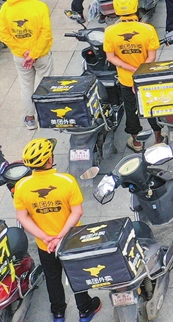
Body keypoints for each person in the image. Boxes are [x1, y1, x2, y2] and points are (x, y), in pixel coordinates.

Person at [12, 138, 102, 322]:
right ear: (50, 160)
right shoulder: (66, 181)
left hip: (45, 246)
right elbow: (77, 212)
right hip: (71, 241)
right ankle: (85, 310)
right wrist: (60, 237)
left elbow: (22, 217)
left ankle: (58, 313)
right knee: (77, 274)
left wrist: (46, 238)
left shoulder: (21, 186)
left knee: (53, 278)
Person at [103, 0, 160, 151]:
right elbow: (152, 57)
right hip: (147, 78)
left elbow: (111, 58)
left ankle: (136, 142)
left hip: (126, 81)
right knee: (152, 108)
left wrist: (132, 70)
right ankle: (158, 139)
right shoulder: (147, 30)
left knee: (131, 110)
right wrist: (140, 71)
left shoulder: (110, 32)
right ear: (135, 6)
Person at [0, 0, 53, 131]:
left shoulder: (5, 9)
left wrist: (24, 53)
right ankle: (47, 115)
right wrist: (34, 54)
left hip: (20, 57)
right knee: (46, 84)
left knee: (26, 86)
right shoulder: (39, 7)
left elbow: (4, 35)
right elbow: (46, 33)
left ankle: (30, 119)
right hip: (41, 55)